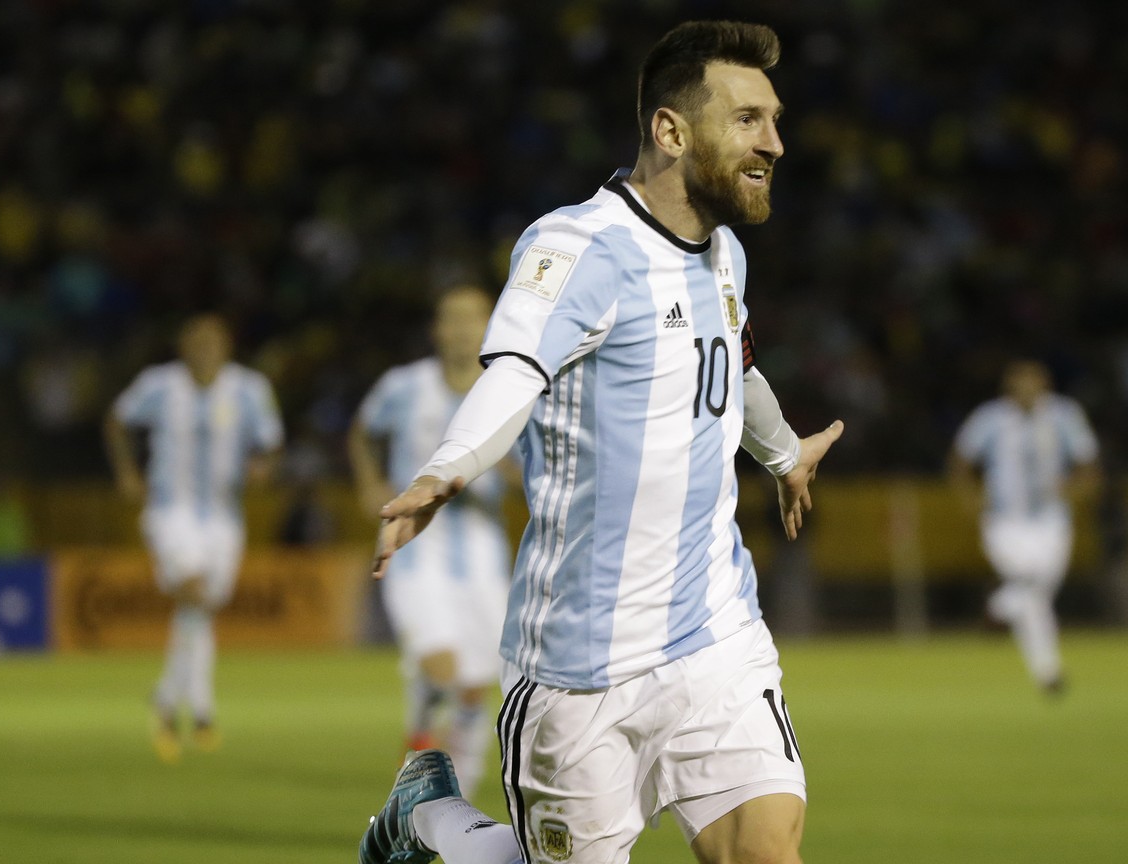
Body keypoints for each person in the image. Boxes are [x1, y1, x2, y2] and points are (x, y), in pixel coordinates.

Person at [358, 21, 843, 864]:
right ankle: (431, 812)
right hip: (578, 665)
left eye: (774, 119)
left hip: (714, 634)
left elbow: (731, 362)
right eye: (749, 120)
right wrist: (446, 470)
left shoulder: (725, 254)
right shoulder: (575, 247)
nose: (775, 142)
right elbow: (511, 373)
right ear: (670, 130)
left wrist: (781, 452)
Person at [348, 283, 514, 794]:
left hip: (484, 553)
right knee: (442, 668)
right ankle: (424, 761)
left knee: (472, 687)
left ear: (492, 325)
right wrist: (370, 483)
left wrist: (503, 468)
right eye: (452, 318)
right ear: (436, 330)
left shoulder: (510, 387)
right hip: (416, 552)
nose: (463, 329)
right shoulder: (405, 385)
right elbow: (362, 431)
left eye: (473, 318)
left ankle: (451, 790)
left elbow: (531, 467)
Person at [103, 313, 283, 762]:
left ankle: (168, 701)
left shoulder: (249, 389)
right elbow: (117, 421)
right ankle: (200, 709)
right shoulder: (159, 385)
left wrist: (263, 467)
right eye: (196, 341)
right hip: (171, 510)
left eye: (212, 342)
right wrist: (127, 473)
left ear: (226, 347)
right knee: (195, 594)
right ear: (183, 346)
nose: (204, 349)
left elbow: (271, 441)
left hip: (224, 516)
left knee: (199, 610)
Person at [948, 359, 1099, 697]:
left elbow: (1088, 464)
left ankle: (1000, 605)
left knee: (1035, 591)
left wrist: (1075, 491)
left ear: (1045, 384)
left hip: (1051, 519)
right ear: (1010, 387)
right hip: (1005, 521)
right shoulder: (990, 418)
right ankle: (1048, 671)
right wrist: (971, 499)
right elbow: (960, 459)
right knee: (1031, 587)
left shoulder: (1063, 416)